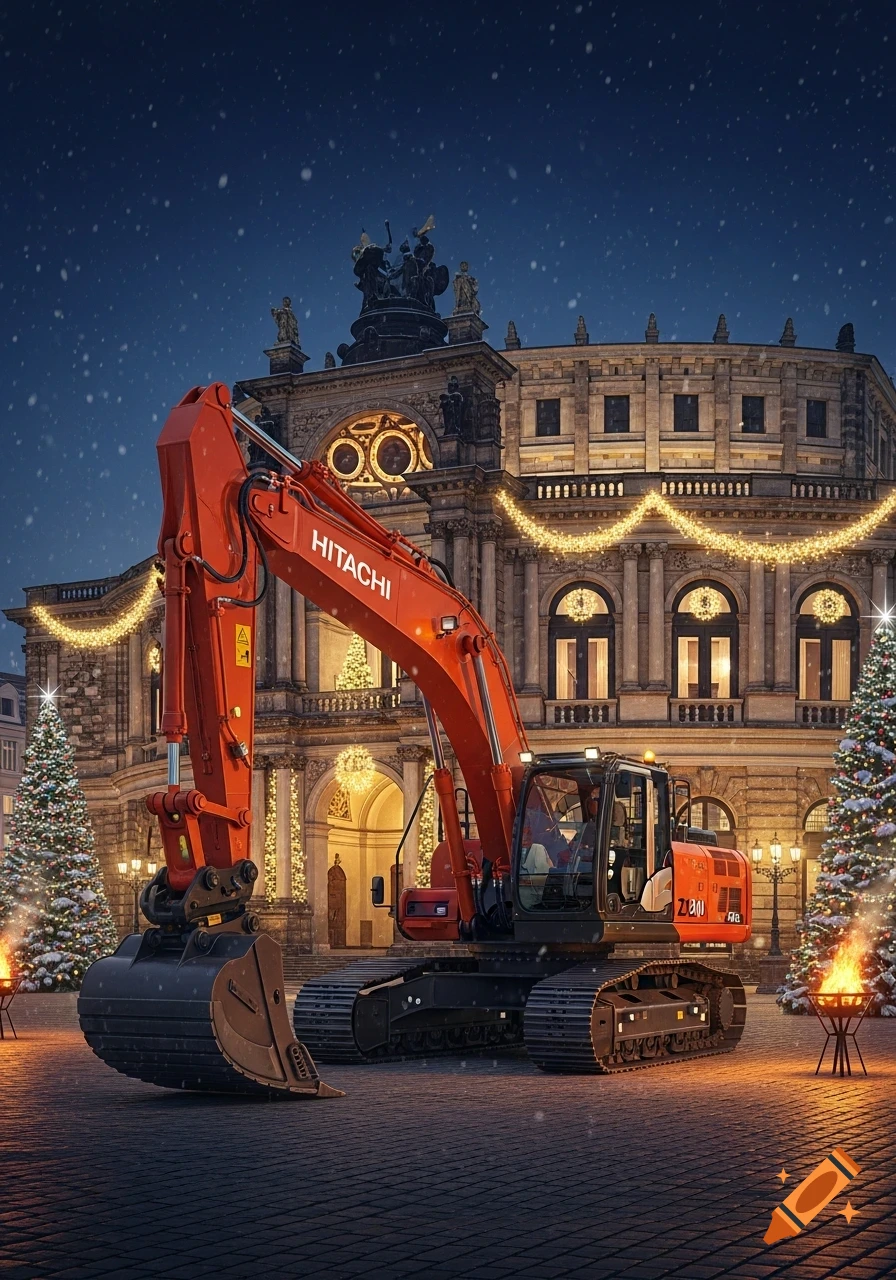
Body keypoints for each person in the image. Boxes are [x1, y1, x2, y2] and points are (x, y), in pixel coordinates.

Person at [519, 822, 552, 908]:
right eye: (523, 834)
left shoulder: (538, 848)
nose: (525, 837)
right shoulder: (515, 850)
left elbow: (542, 877)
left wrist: (524, 882)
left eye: (528, 833)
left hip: (534, 896)